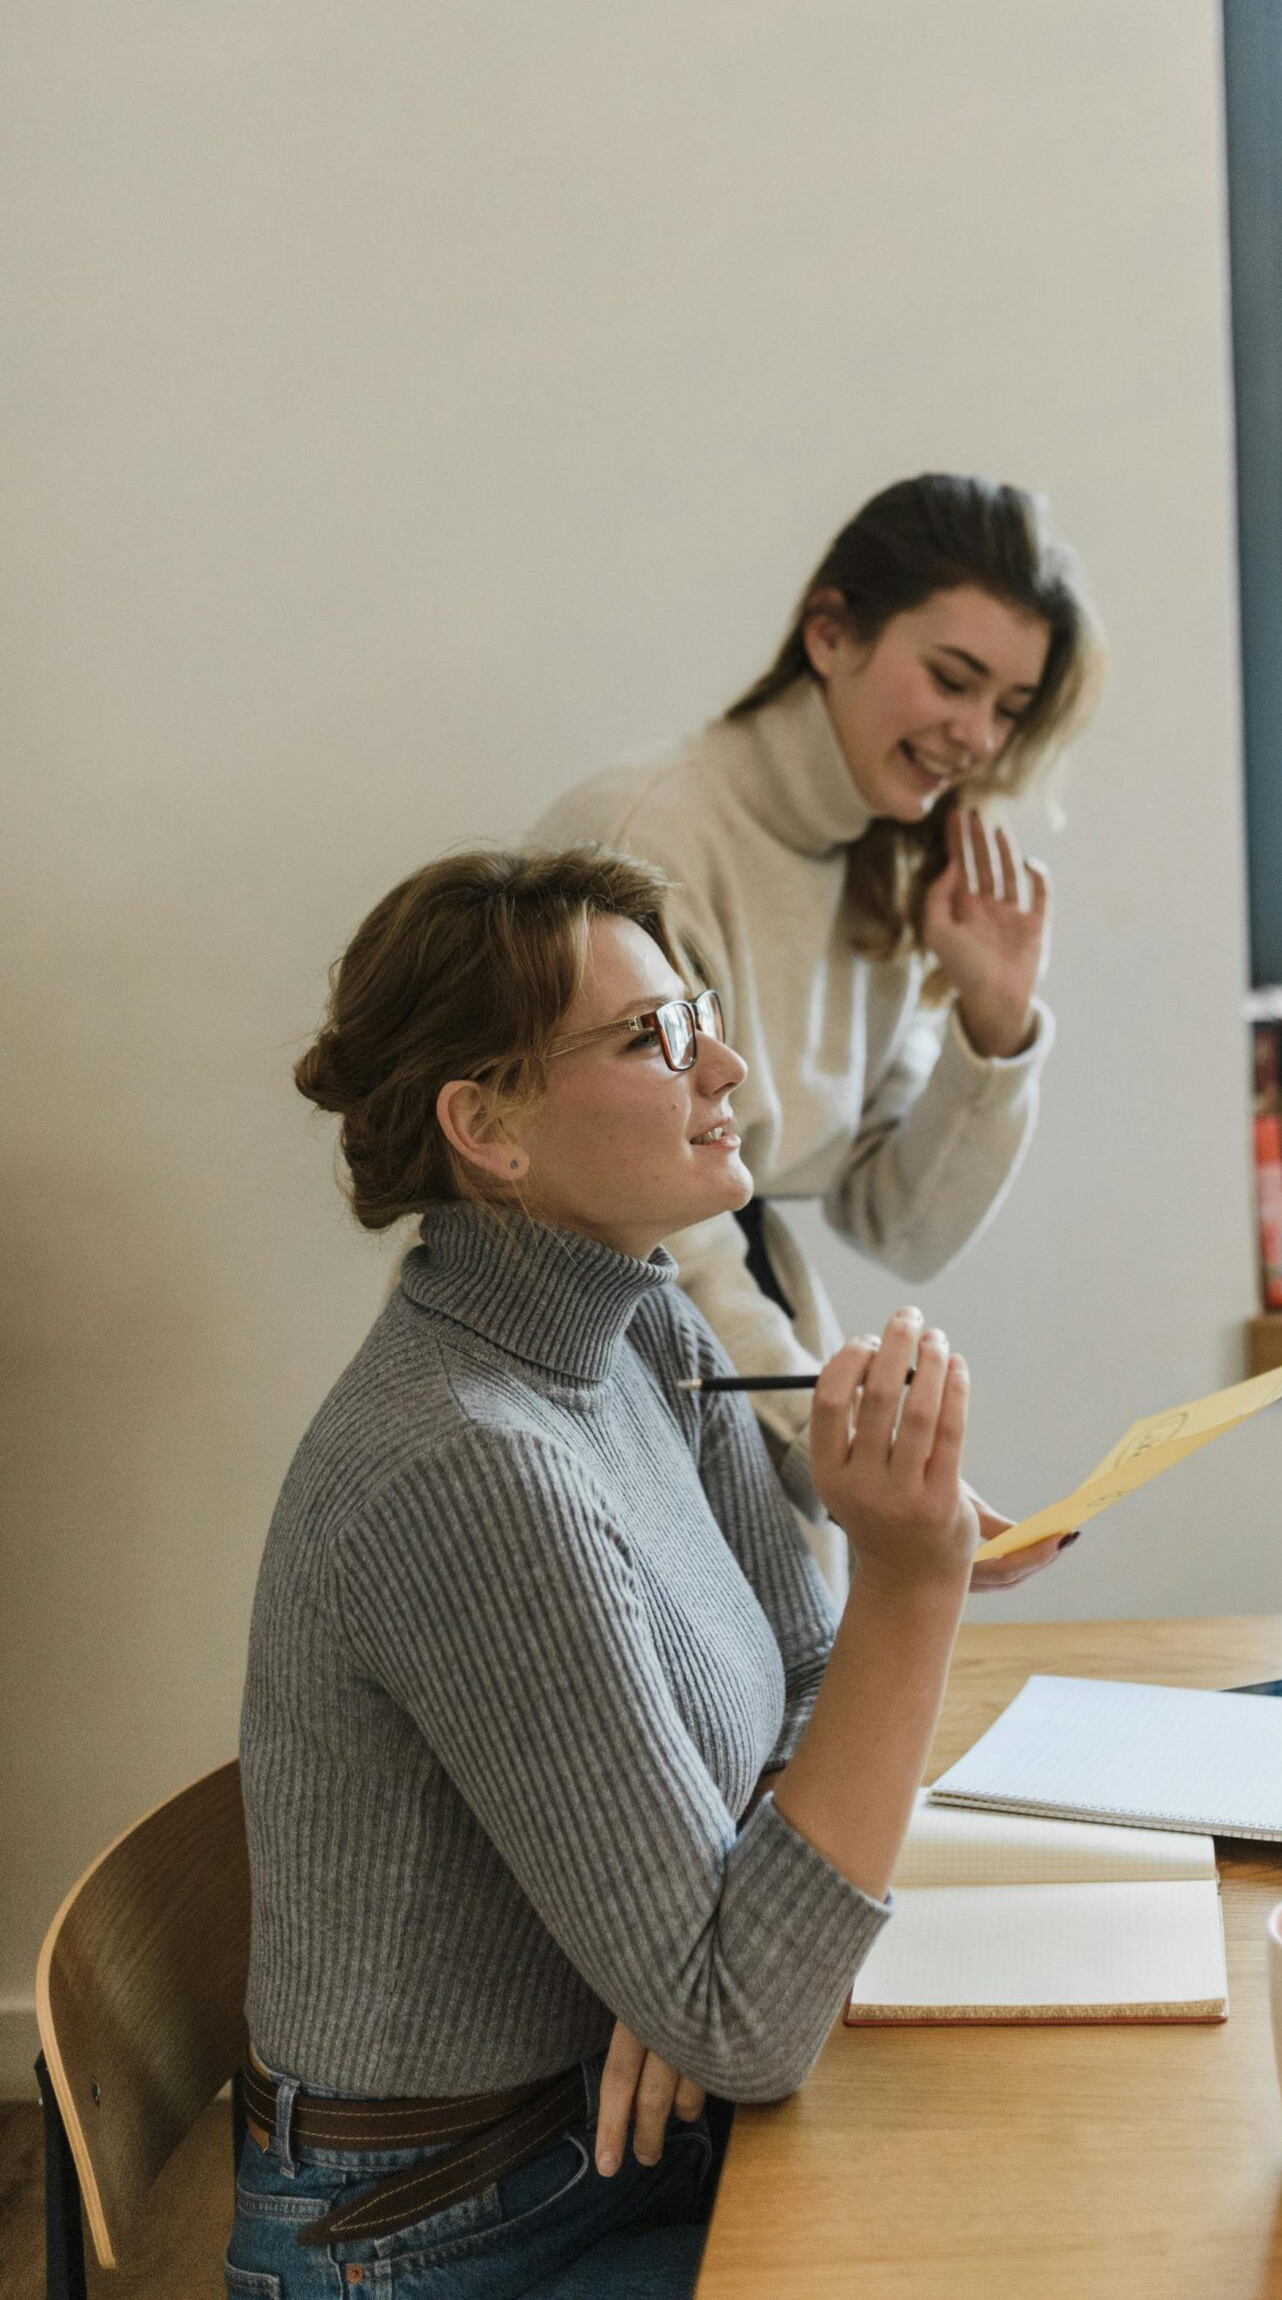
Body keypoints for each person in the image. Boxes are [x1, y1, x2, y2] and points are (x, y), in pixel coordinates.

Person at [231, 846, 979, 2299]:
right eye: (655, 1038)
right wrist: (917, 1580)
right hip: (447, 2231)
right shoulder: (467, 1466)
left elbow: (808, 1673)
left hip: (614, 2131)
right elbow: (746, 2024)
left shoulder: (639, 1331)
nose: (728, 1067)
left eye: (692, 1014)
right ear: (486, 1128)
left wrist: (693, 1941)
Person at [533, 472, 1103, 1581]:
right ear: (829, 632)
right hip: (605, 1367)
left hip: (737, 1356)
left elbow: (902, 1226)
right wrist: (844, 1458)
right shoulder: (640, 835)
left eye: (1008, 709)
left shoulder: (886, 863)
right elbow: (667, 1230)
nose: (975, 735)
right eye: (952, 678)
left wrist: (992, 1026)